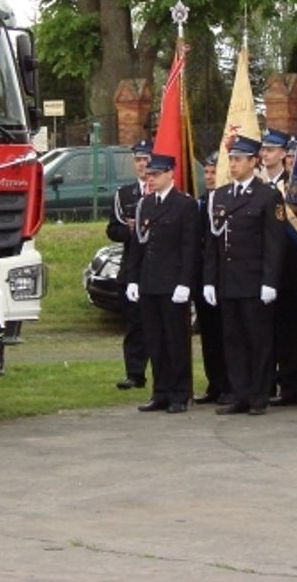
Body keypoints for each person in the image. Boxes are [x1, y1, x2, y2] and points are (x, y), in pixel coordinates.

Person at [203, 135, 287, 415]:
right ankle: (238, 393)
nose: (235, 164)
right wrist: (209, 280)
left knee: (258, 340)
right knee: (233, 341)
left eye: (240, 159)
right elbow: (214, 242)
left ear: (254, 161)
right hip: (229, 280)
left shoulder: (267, 196)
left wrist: (269, 281)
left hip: (254, 281)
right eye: (232, 159)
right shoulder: (222, 196)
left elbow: (274, 244)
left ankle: (258, 396)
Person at [125, 154, 200, 414]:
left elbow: (189, 248)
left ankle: (179, 394)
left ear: (171, 174)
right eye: (149, 175)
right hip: (149, 282)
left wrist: (185, 283)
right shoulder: (146, 204)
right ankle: (161, 392)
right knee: (155, 341)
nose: (151, 179)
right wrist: (132, 279)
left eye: (156, 175)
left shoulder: (184, 205)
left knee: (175, 341)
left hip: (173, 284)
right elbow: (138, 246)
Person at [260, 127, 297, 406]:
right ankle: (287, 389)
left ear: (284, 154)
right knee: (278, 334)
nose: (265, 154)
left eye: (271, 149)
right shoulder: (258, 186)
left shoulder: (296, 188)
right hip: (269, 273)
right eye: (263, 149)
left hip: (296, 269)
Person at [107, 139, 153, 390]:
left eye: (146, 159)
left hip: (157, 266)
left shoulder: (163, 191)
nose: (143, 165)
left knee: (157, 326)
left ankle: (163, 375)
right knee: (134, 325)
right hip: (132, 266)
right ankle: (135, 374)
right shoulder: (124, 194)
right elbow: (112, 230)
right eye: (138, 160)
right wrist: (128, 230)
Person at [193, 152, 230, 405]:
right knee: (209, 336)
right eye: (205, 172)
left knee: (228, 334)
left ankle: (230, 384)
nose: (208, 177)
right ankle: (214, 383)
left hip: (226, 278)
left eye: (213, 171)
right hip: (203, 278)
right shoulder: (201, 202)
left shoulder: (229, 201)